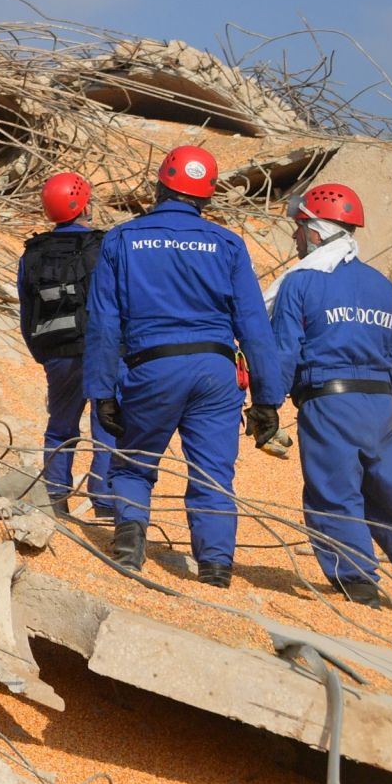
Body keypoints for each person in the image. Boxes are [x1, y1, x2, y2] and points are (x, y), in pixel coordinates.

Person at [265, 183, 392, 621]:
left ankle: (358, 589)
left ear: (315, 233)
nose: (294, 239)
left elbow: (284, 350)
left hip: (328, 402)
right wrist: (382, 406)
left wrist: (266, 405)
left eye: (298, 230)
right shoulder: (384, 288)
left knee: (333, 492)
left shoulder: (300, 284)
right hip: (381, 407)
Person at [82, 146, 284, 586]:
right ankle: (215, 569)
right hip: (216, 372)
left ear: (159, 187)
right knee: (213, 473)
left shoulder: (122, 239)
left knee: (133, 464)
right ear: (206, 198)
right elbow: (254, 326)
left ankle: (130, 548)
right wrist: (268, 399)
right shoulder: (228, 244)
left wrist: (100, 391)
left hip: (152, 368)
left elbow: (104, 323)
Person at [17, 171, 116, 517]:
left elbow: (27, 312)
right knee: (107, 426)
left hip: (57, 352)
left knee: (60, 428)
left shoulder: (32, 253)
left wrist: (43, 355)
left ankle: (55, 499)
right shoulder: (104, 245)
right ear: (84, 205)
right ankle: (105, 502)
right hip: (101, 350)